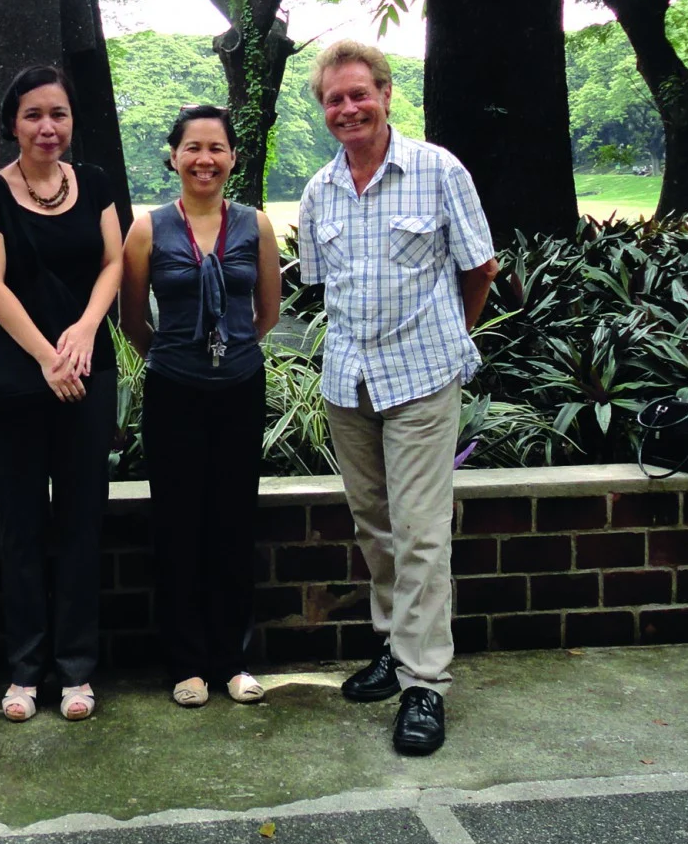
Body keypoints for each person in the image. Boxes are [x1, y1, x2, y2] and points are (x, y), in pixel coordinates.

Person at [297, 41, 497, 758]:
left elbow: (480, 266)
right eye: (334, 99)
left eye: (359, 94)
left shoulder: (439, 171)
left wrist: (449, 335)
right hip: (349, 383)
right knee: (374, 525)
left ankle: (424, 684)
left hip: (421, 380)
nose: (347, 109)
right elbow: (326, 287)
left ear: (385, 93)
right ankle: (391, 641)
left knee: (420, 531)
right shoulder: (320, 191)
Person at [0, 67, 123, 722]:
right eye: (33, 115)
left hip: (90, 371)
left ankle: (77, 671)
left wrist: (85, 331)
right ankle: (26, 672)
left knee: (82, 523)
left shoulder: (98, 186)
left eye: (58, 113)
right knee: (23, 526)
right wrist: (47, 355)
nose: (47, 126)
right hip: (17, 378)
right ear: (12, 124)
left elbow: (113, 263)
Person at [119, 105, 281, 709]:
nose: (204, 159)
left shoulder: (254, 226)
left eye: (216, 147)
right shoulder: (149, 228)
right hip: (174, 392)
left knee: (233, 524)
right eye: (192, 147)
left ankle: (233, 660)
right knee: (179, 526)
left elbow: (267, 311)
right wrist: (180, 356)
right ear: (174, 156)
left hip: (239, 388)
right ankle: (188, 664)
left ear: (233, 157)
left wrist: (229, 351)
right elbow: (134, 320)